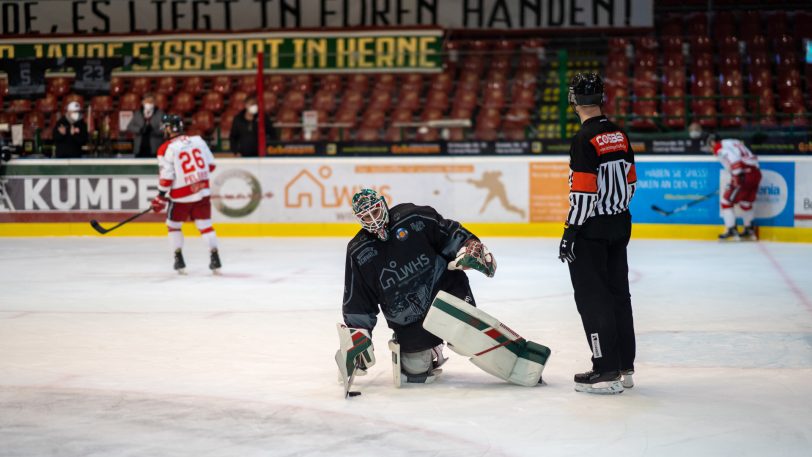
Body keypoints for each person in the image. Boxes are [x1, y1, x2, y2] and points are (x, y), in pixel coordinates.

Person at [337, 189, 550, 391]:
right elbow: (359, 299)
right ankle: (430, 349)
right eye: (366, 217)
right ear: (358, 219)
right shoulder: (359, 251)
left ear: (383, 205)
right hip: (408, 317)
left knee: (464, 330)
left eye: (375, 211)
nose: (373, 219)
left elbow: (449, 233)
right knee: (416, 370)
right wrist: (359, 335)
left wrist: (467, 247)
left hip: (446, 292)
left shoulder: (413, 217)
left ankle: (519, 360)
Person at [558, 73, 637, 395]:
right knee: (619, 295)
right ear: (602, 98)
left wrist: (570, 232)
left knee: (594, 299)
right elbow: (630, 182)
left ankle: (604, 370)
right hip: (620, 223)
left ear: (573, 100)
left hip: (591, 229)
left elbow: (585, 193)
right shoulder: (619, 134)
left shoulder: (584, 138)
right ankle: (624, 367)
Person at [149, 114, 222, 274]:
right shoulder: (198, 140)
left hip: (181, 196)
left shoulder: (166, 148)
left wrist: (160, 196)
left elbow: (167, 177)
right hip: (202, 191)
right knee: (205, 226)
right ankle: (215, 257)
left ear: (168, 128)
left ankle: (178, 258)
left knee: (173, 225)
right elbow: (211, 166)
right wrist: (195, 178)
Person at [705, 133, 762, 241]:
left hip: (743, 175)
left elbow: (734, 159)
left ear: (713, 142)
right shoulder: (733, 141)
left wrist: (736, 176)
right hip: (756, 173)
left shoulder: (719, 146)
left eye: (710, 145)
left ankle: (731, 230)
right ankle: (749, 230)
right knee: (745, 203)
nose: (711, 149)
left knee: (726, 202)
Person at [126, 93, 165, 158]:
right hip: (139, 149)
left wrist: (153, 130)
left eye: (151, 101)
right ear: (143, 102)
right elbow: (129, 127)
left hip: (155, 149)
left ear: (154, 103)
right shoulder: (137, 113)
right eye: (147, 101)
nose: (149, 103)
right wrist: (140, 130)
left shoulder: (160, 114)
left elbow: (165, 129)